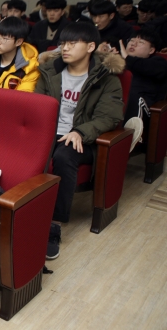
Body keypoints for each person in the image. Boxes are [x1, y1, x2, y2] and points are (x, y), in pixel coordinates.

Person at [34, 22, 124, 260]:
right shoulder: (49, 72)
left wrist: (81, 132)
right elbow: (37, 106)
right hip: (49, 132)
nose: (65, 48)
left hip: (83, 136)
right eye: (63, 42)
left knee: (63, 156)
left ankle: (54, 224)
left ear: (91, 46)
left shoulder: (106, 79)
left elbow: (109, 116)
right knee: (25, 150)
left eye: (73, 43)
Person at [119, 29, 167, 146]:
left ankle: (133, 137)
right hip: (119, 103)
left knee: (134, 96)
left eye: (140, 42)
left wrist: (127, 58)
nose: (133, 44)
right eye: (131, 40)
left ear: (151, 50)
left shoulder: (158, 62)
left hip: (146, 108)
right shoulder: (118, 61)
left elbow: (144, 67)